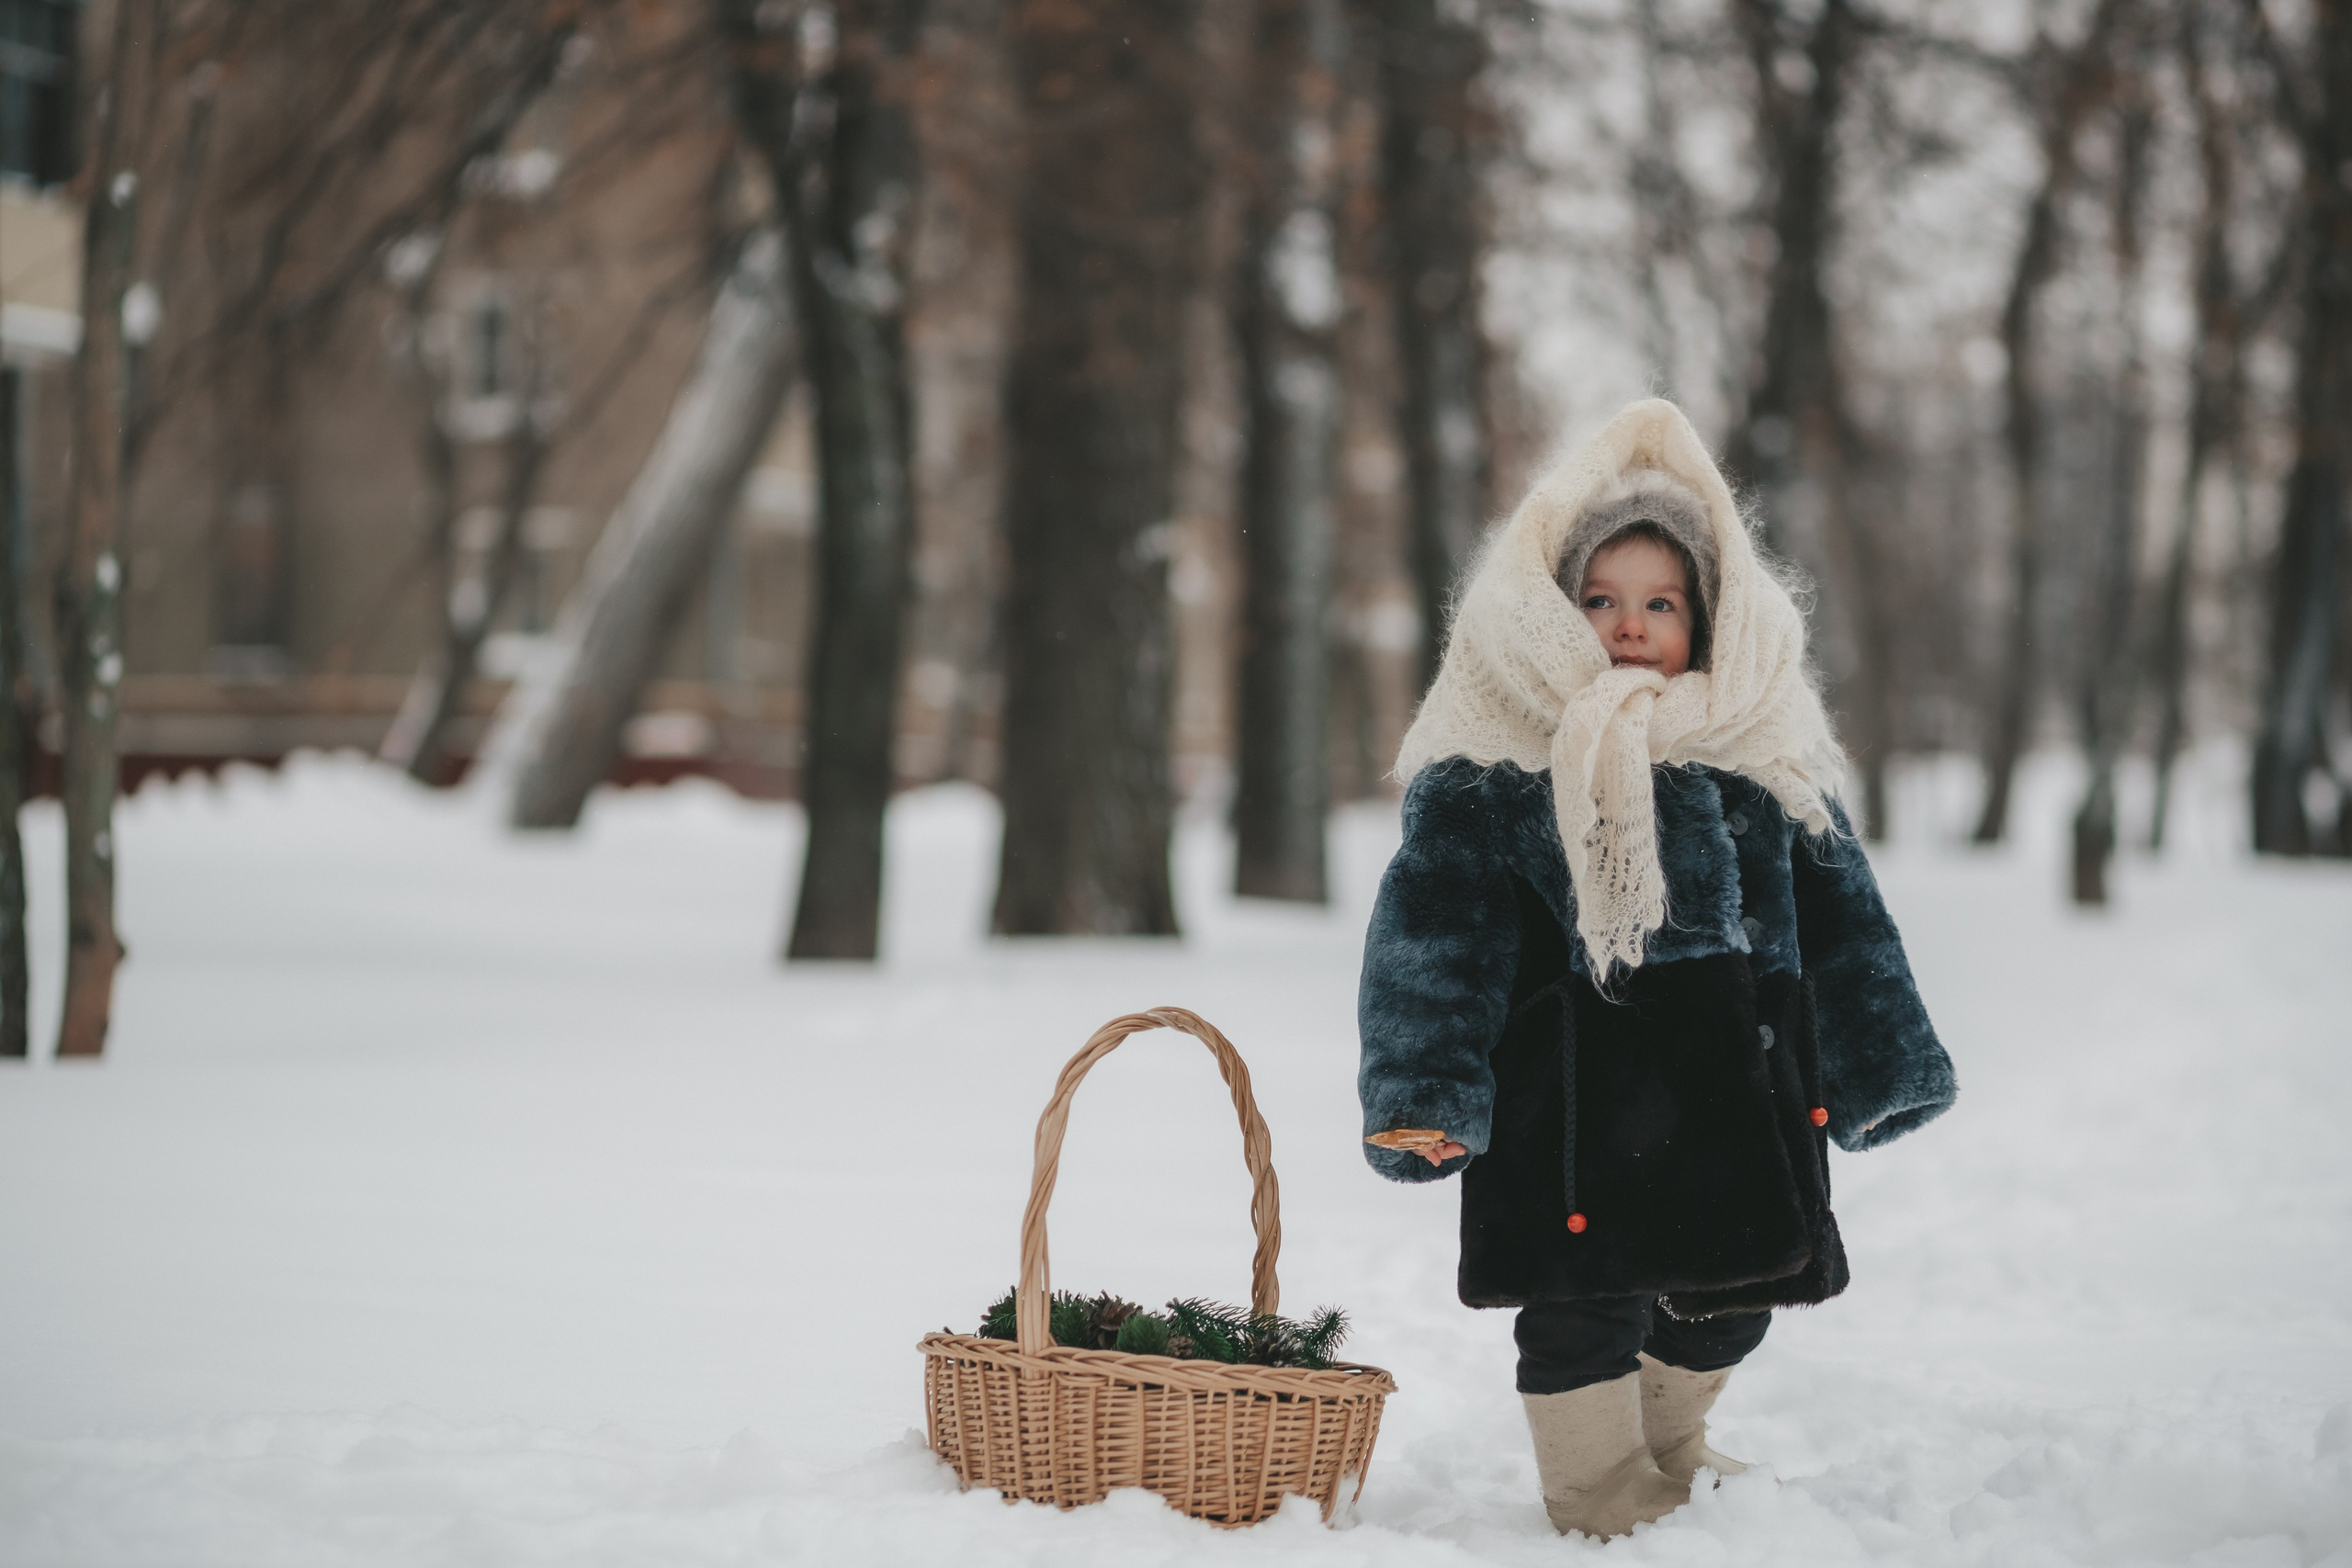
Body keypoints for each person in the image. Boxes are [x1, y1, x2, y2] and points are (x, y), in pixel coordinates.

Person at [1357, 399, 1955, 1540]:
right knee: (1585, 1305)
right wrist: (1424, 1093)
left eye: (1660, 603)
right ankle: (1593, 1485)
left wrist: (1885, 1064)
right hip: (1573, 1090)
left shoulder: (1761, 746)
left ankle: (1668, 1445)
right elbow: (1433, 938)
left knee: (1738, 1292)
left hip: (1739, 1074)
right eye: (1599, 600)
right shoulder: (1494, 762)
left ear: (1709, 616)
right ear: (1553, 608)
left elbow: (1846, 925)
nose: (1628, 626)